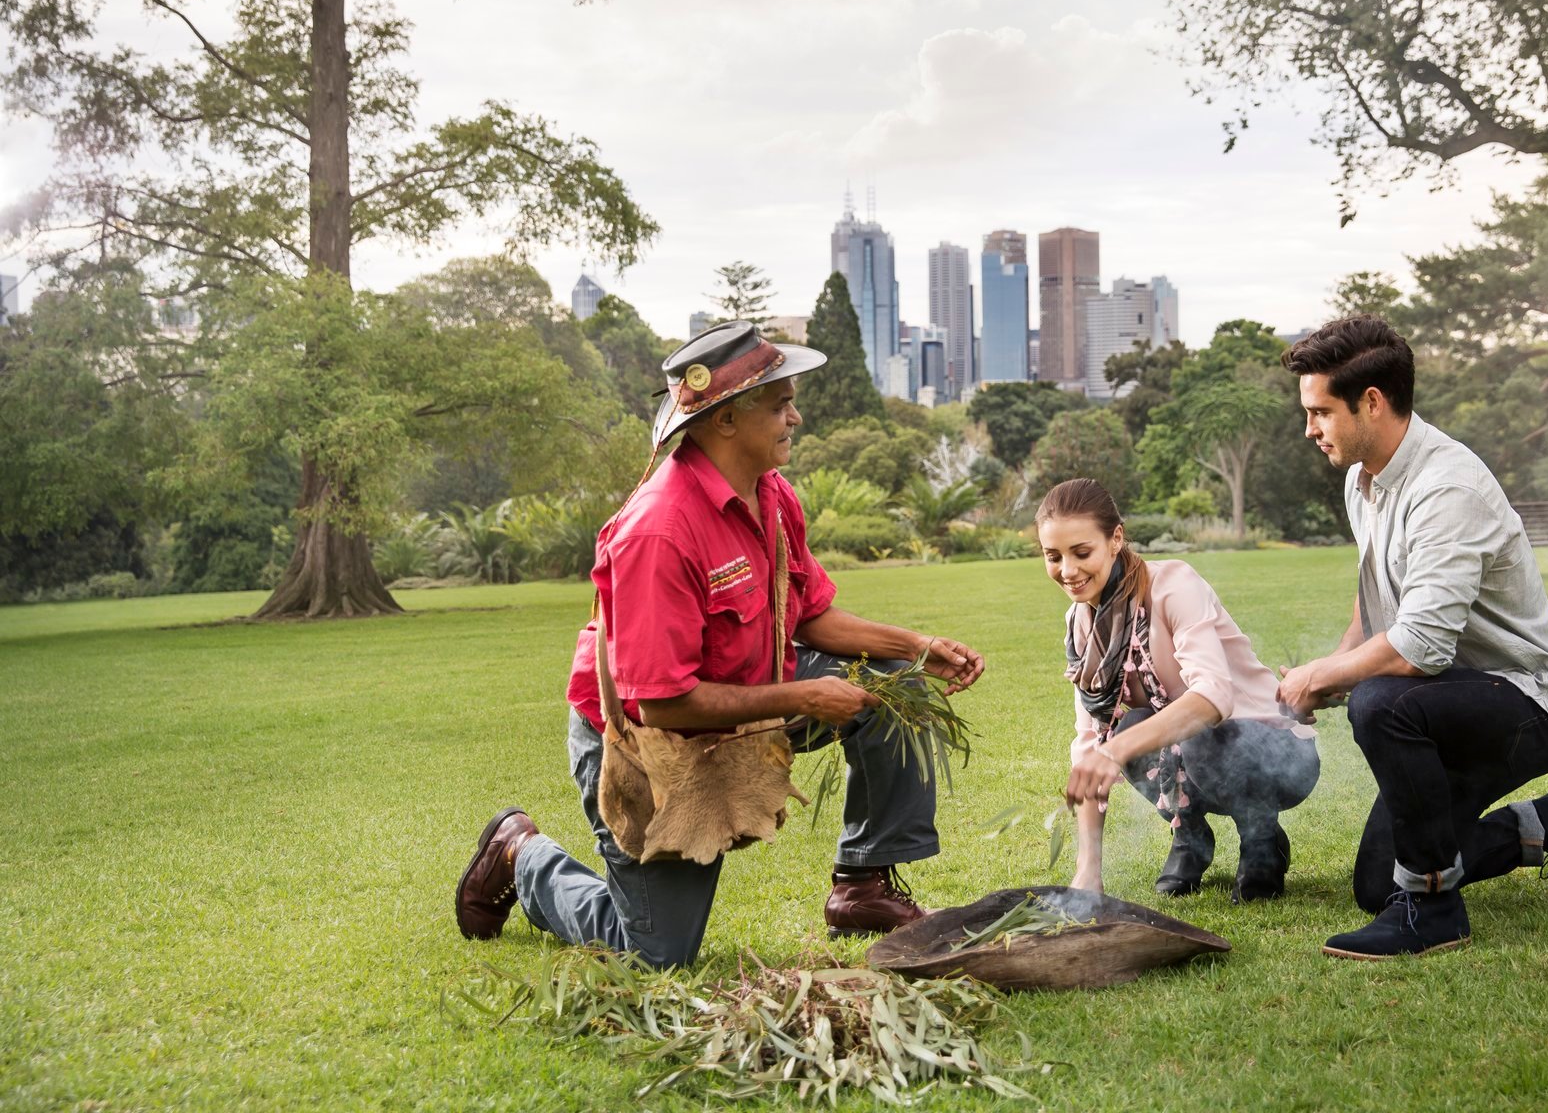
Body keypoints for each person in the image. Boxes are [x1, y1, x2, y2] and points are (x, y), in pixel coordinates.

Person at [454, 321, 985, 966]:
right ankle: (520, 854)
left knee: (895, 685)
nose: (796, 416)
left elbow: (811, 614)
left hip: (755, 696)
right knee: (653, 953)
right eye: (780, 403)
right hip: (645, 740)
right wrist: (805, 697)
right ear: (726, 420)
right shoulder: (660, 531)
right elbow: (662, 703)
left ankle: (862, 885)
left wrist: (917, 645)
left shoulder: (770, 494)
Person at [1274, 315, 1548, 960]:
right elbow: (1379, 599)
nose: (1310, 429)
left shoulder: (1447, 488)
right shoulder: (1366, 478)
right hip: (1447, 707)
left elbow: (1417, 648)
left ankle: (1434, 910)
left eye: (1320, 412)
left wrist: (1321, 679)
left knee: (1378, 702)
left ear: (1371, 403)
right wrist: (1323, 673)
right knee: (1380, 882)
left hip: (1527, 704)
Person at [1044, 478, 1320, 901]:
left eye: (1082, 553)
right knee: (1128, 728)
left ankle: (1262, 842)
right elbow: (1090, 743)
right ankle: (1190, 838)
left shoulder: (1173, 585)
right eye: (1053, 556)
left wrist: (1114, 751)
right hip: (1194, 755)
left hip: (1275, 752)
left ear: (1116, 537)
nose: (1067, 571)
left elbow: (1212, 698)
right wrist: (1088, 873)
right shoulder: (1080, 624)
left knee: (1181, 731)